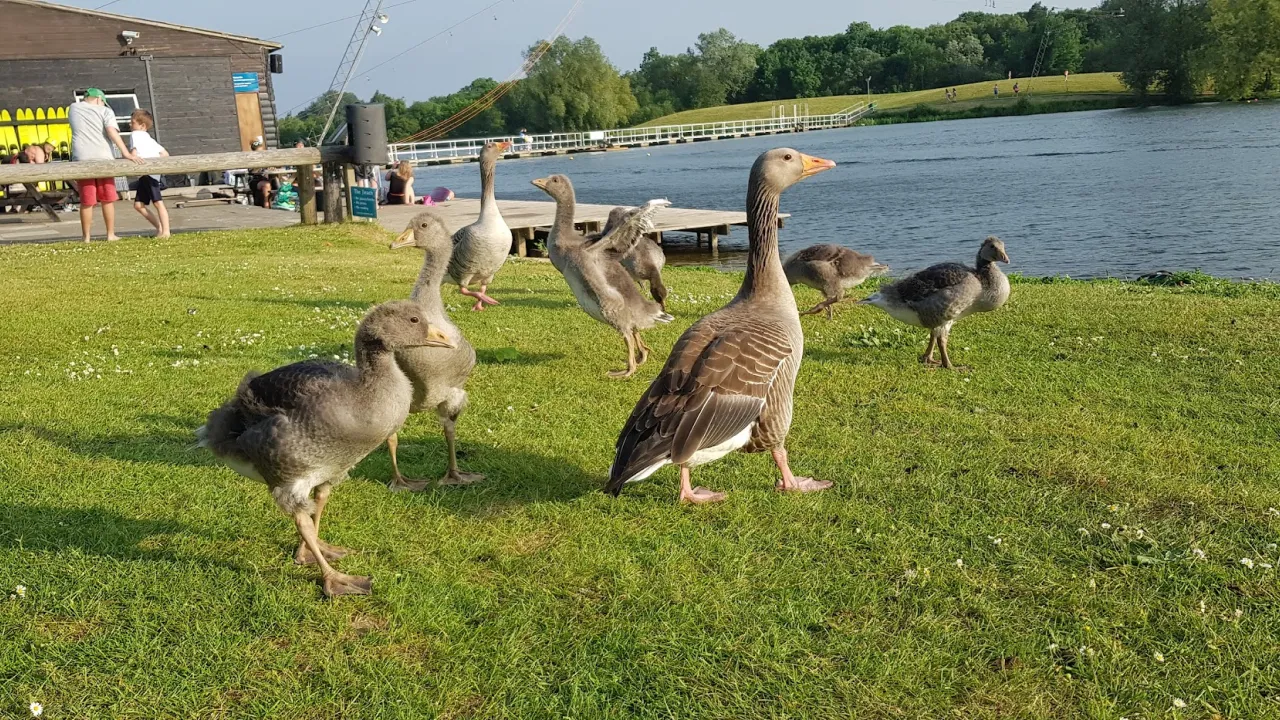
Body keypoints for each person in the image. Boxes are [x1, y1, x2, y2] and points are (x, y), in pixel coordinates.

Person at [69, 88, 142, 242]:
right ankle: (110, 234)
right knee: (107, 198)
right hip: (103, 158)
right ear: (99, 99)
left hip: (81, 158)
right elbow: (111, 132)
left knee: (87, 200)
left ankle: (86, 237)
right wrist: (126, 153)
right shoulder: (105, 111)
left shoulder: (73, 108)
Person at [128, 109, 170, 238]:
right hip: (150, 173)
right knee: (138, 205)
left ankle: (166, 231)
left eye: (132, 122)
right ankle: (160, 228)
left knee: (158, 202)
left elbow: (134, 153)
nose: (130, 125)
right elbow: (165, 154)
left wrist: (131, 160)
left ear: (142, 126)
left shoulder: (135, 135)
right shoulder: (149, 139)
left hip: (147, 174)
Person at [246, 138, 278, 208]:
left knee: (278, 182)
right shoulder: (251, 159)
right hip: (255, 180)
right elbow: (252, 171)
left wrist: (272, 167)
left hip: (266, 178)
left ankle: (277, 202)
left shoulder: (265, 157)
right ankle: (266, 204)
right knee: (266, 185)